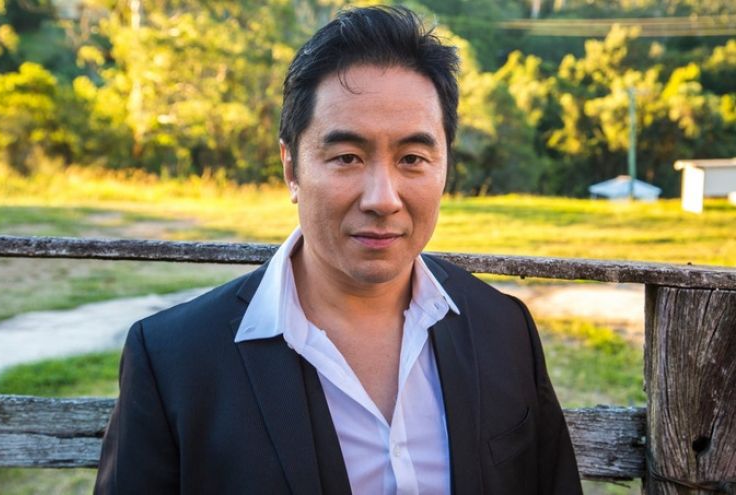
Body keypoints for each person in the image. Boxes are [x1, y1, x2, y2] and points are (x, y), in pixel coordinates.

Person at [95, 6, 582, 494]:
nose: (382, 199)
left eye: (412, 158)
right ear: (291, 167)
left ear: (445, 165)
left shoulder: (504, 330)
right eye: (347, 157)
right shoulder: (175, 361)